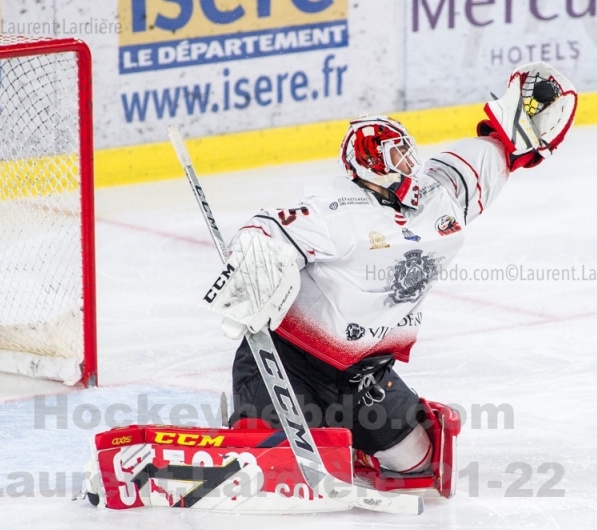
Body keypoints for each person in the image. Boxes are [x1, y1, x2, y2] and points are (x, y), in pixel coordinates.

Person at [200, 62, 577, 476]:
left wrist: (513, 133)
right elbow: (266, 230)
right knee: (267, 464)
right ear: (369, 164)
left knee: (418, 464)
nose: (410, 161)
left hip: (365, 378)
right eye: (396, 154)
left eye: (408, 150)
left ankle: (346, 441)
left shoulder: (440, 199)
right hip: (289, 363)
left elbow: (491, 156)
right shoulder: (335, 211)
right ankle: (253, 426)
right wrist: (252, 270)